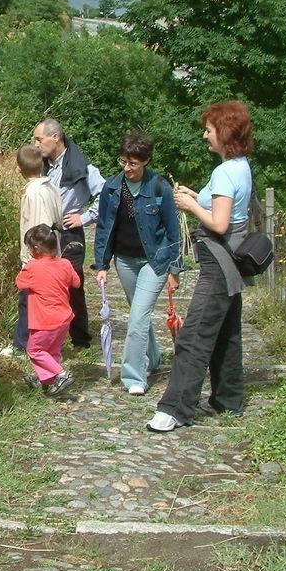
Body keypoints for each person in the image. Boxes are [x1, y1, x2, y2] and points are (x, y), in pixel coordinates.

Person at [147, 101, 254, 433]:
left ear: (223, 133)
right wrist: (199, 196)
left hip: (218, 262)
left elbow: (220, 224)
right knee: (226, 332)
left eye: (208, 129)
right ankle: (228, 398)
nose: (204, 135)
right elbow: (228, 208)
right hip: (231, 262)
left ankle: (175, 409)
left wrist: (191, 204)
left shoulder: (224, 172)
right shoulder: (241, 166)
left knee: (194, 336)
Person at [93, 131, 181, 396]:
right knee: (138, 315)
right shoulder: (111, 187)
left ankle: (133, 376)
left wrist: (174, 269)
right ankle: (153, 358)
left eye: (133, 163)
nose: (127, 168)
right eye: (123, 161)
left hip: (155, 261)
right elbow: (104, 228)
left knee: (137, 316)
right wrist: (102, 265)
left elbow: (173, 230)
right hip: (125, 261)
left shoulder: (159, 186)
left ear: (146, 160)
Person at [33, 118, 104, 348]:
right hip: (46, 234)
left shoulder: (83, 168)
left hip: (69, 233)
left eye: (39, 139)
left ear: (56, 137)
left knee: (73, 283)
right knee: (47, 284)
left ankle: (80, 338)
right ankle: (52, 335)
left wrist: (83, 218)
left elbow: (107, 196)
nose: (36, 144)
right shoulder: (44, 166)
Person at [16, 224, 80, 396]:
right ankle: (44, 379)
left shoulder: (32, 267)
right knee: (51, 351)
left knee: (34, 350)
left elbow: (20, 283)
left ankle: (61, 375)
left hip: (45, 321)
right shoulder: (65, 263)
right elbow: (76, 283)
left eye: (29, 247)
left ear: (35, 248)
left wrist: (28, 265)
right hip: (64, 318)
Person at [13, 144, 63, 353]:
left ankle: (24, 344)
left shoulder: (34, 193)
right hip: (51, 255)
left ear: (19, 169)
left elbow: (40, 228)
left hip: (39, 258)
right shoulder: (50, 187)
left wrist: (32, 259)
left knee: (29, 302)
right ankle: (44, 342)